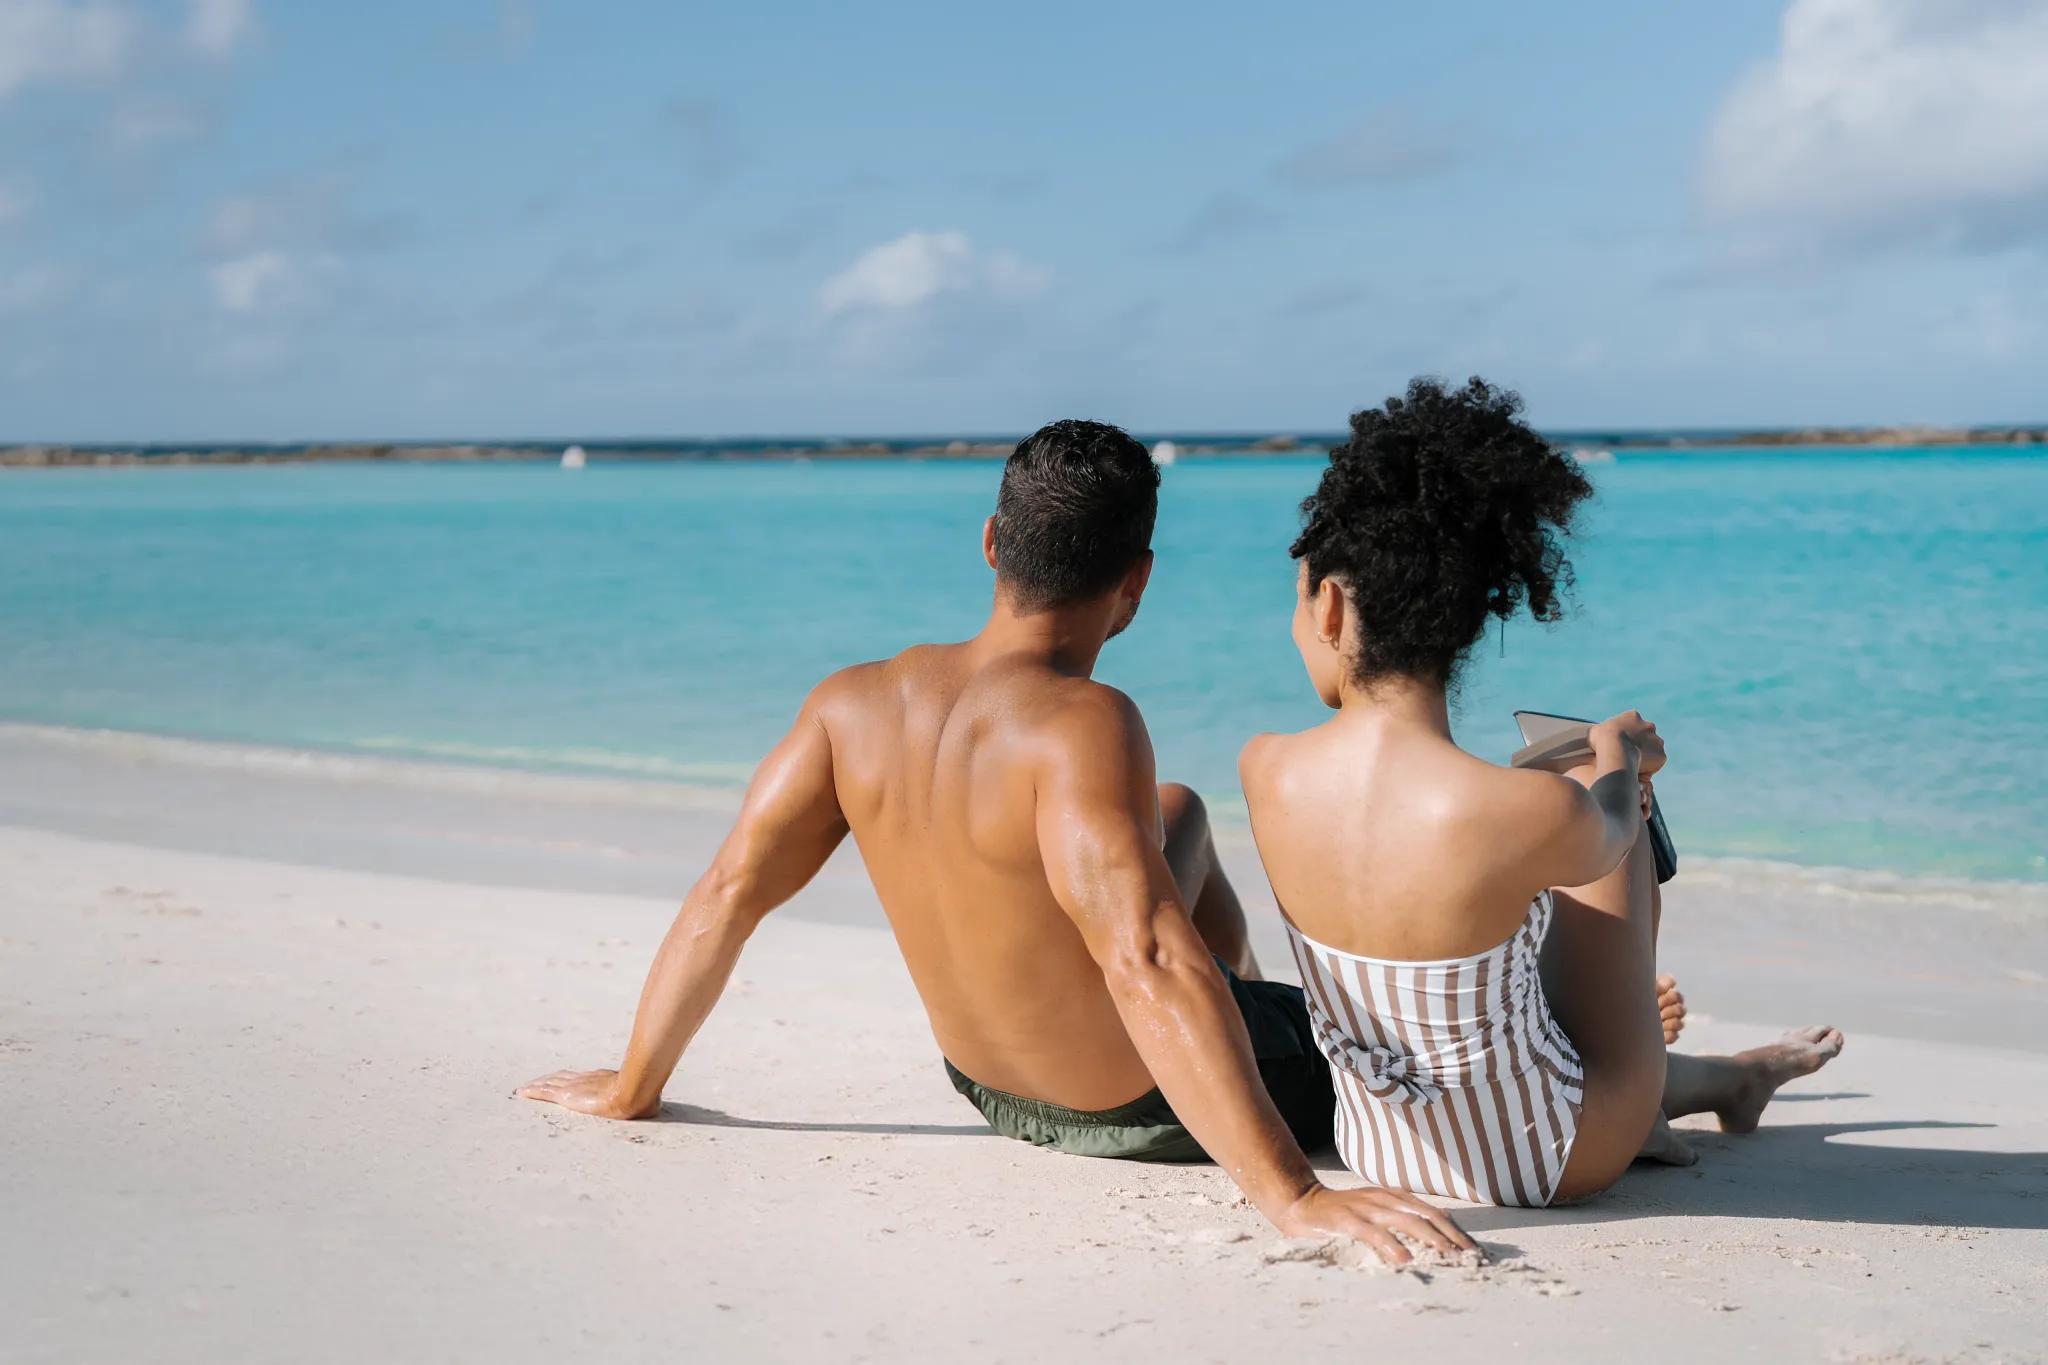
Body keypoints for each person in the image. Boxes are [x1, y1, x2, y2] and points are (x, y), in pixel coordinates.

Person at [519, 419, 1472, 1264]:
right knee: (1390, 1037)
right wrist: (1293, 1194)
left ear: (990, 544)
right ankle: (1249, 1041)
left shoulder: (849, 703)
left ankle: (1240, 1004)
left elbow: (730, 890)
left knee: (1177, 812)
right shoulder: (1082, 723)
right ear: (1135, 583)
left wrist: (634, 1084)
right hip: (1130, 1109)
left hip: (986, 1083)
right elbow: (1143, 954)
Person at [1238, 378, 1845, 1207]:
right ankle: (1670, 1104)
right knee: (1597, 796)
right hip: (1553, 1161)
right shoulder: (1526, 812)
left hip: (1376, 1148)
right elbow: (1609, 833)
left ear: (1332, 608)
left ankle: (1727, 1079)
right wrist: (1620, 761)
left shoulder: (1263, 766)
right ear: (1464, 624)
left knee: (1527, 852)